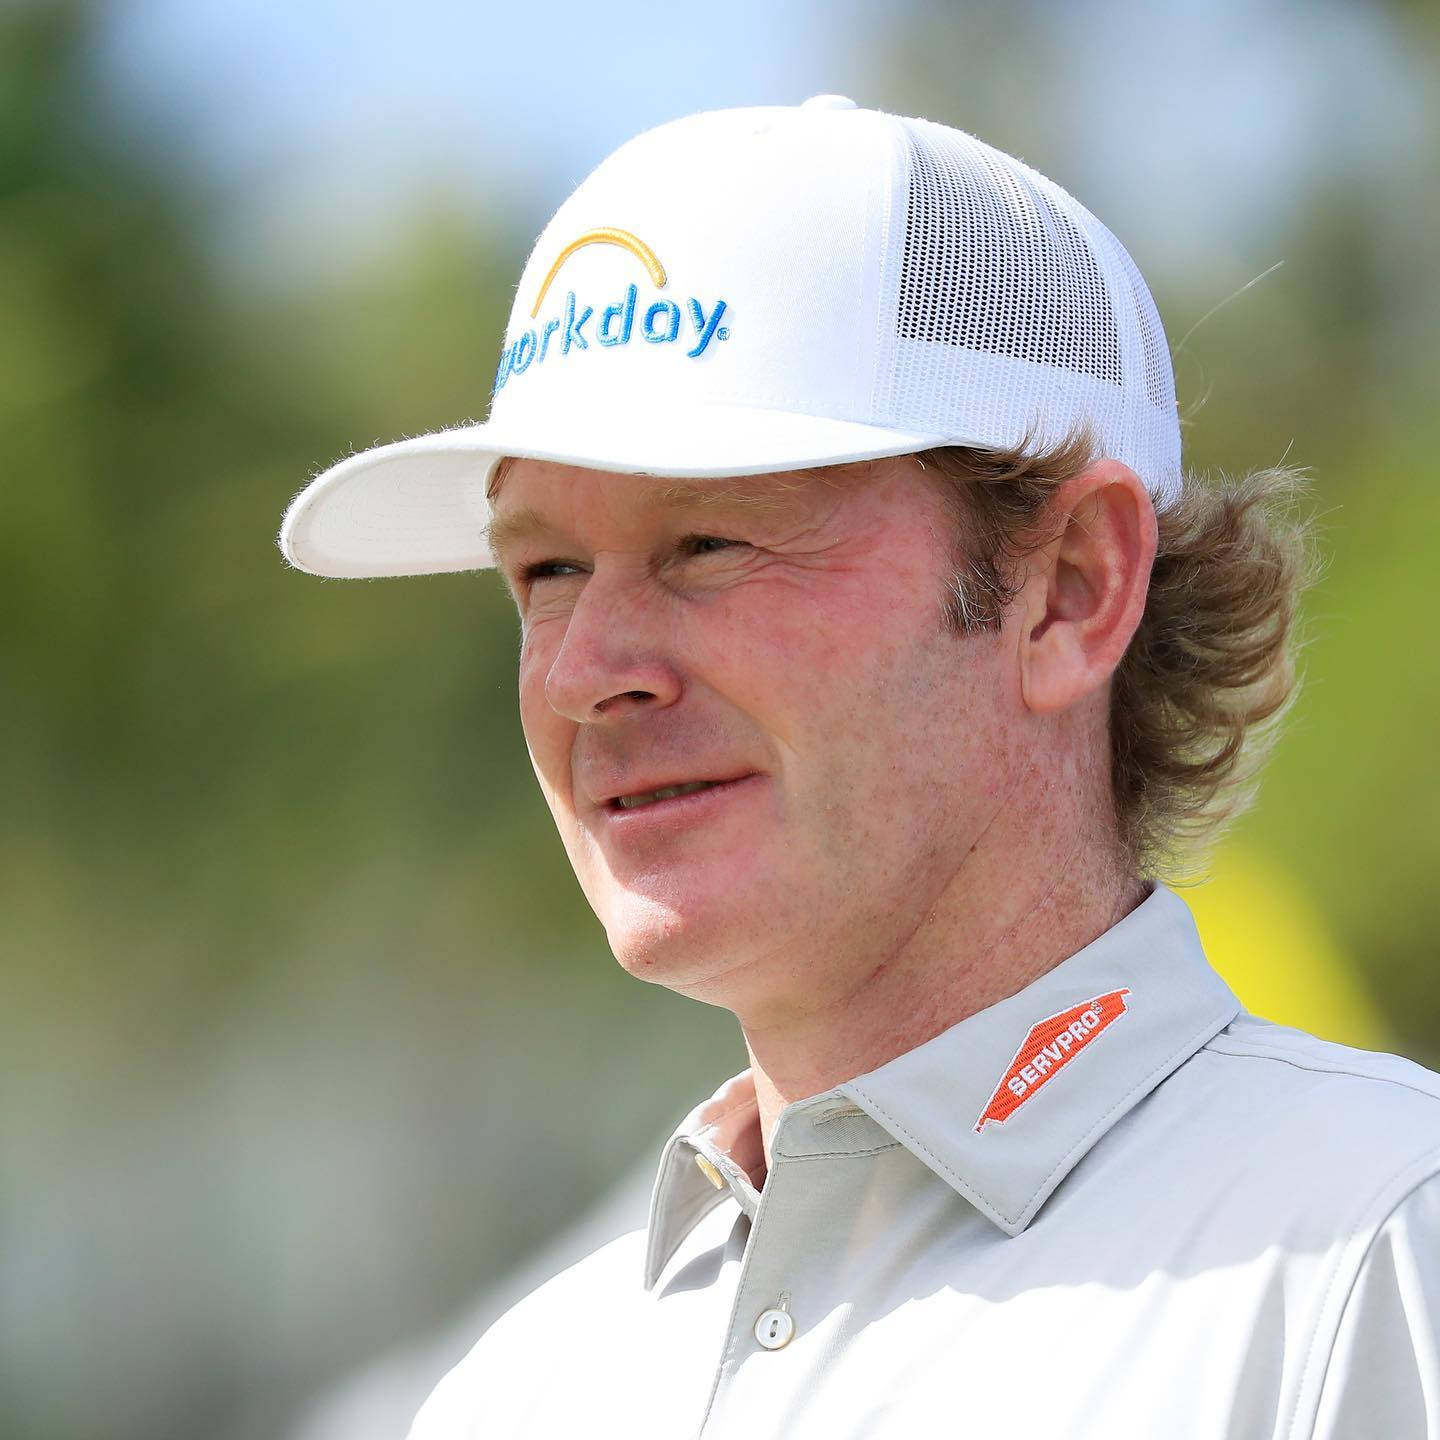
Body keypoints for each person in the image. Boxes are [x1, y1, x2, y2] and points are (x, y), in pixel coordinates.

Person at [279, 98, 1440, 1438]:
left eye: (709, 541)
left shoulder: (1381, 1255)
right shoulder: (521, 1394)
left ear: (1070, 589)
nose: (586, 670)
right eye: (544, 569)